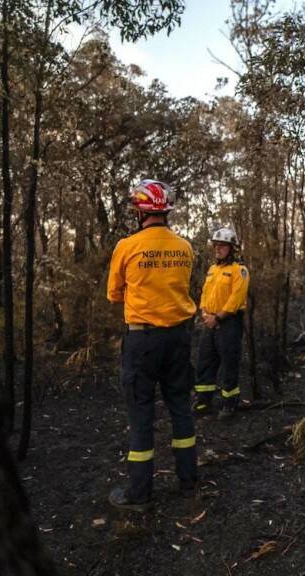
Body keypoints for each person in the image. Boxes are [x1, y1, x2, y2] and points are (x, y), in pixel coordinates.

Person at [106, 179, 198, 511]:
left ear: (140, 212)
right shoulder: (185, 247)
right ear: (165, 211)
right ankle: (188, 481)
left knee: (141, 413)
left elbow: (114, 293)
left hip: (142, 340)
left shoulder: (127, 246)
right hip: (179, 338)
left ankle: (139, 492)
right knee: (180, 408)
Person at [194, 226, 249, 420]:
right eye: (216, 245)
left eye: (222, 245)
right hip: (209, 322)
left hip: (228, 323)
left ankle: (229, 404)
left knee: (229, 364)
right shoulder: (212, 270)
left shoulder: (239, 270)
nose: (218, 248)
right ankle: (203, 401)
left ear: (232, 248)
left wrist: (218, 317)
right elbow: (205, 294)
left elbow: (236, 298)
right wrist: (204, 313)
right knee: (205, 362)